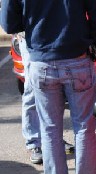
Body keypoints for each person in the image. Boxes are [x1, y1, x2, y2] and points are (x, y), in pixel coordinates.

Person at [1, 0, 96, 174]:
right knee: (84, 128)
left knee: (50, 130)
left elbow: (9, 23)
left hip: (41, 60)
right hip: (78, 59)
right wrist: (94, 44)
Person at [16, 33, 75, 164]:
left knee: (54, 89)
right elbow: (8, 17)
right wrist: (18, 29)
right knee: (32, 90)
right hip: (30, 39)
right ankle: (34, 143)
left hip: (52, 35)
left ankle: (54, 139)